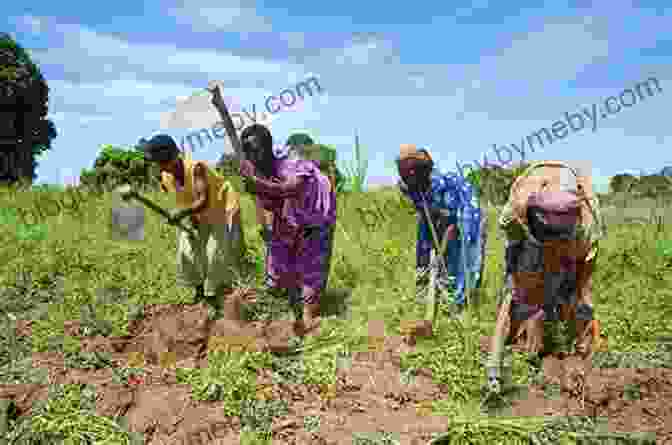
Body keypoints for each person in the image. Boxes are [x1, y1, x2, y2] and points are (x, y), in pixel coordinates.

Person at [238, 124, 336, 337]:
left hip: (317, 212)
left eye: (256, 149)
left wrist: (259, 185)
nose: (252, 155)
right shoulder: (255, 171)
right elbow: (269, 203)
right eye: (247, 151)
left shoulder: (291, 163)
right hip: (291, 214)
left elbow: (292, 188)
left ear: (269, 147)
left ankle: (308, 320)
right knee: (279, 267)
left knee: (311, 269)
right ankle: (283, 305)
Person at [137, 134, 245, 320]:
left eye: (156, 160)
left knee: (215, 253)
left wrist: (181, 213)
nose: (155, 165)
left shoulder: (196, 168)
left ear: (166, 158)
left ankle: (214, 297)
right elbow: (184, 199)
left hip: (221, 207)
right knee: (187, 250)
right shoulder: (165, 177)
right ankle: (199, 290)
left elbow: (203, 200)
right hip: (197, 213)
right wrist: (189, 218)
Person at [396, 144, 486, 319]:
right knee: (425, 253)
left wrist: (440, 252)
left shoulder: (441, 185)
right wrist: (431, 255)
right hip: (433, 214)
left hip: (463, 212)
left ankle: (458, 303)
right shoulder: (408, 186)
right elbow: (425, 212)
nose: (407, 174)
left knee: (462, 255)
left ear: (421, 168)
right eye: (403, 170)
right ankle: (429, 293)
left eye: (410, 169)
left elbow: (450, 226)